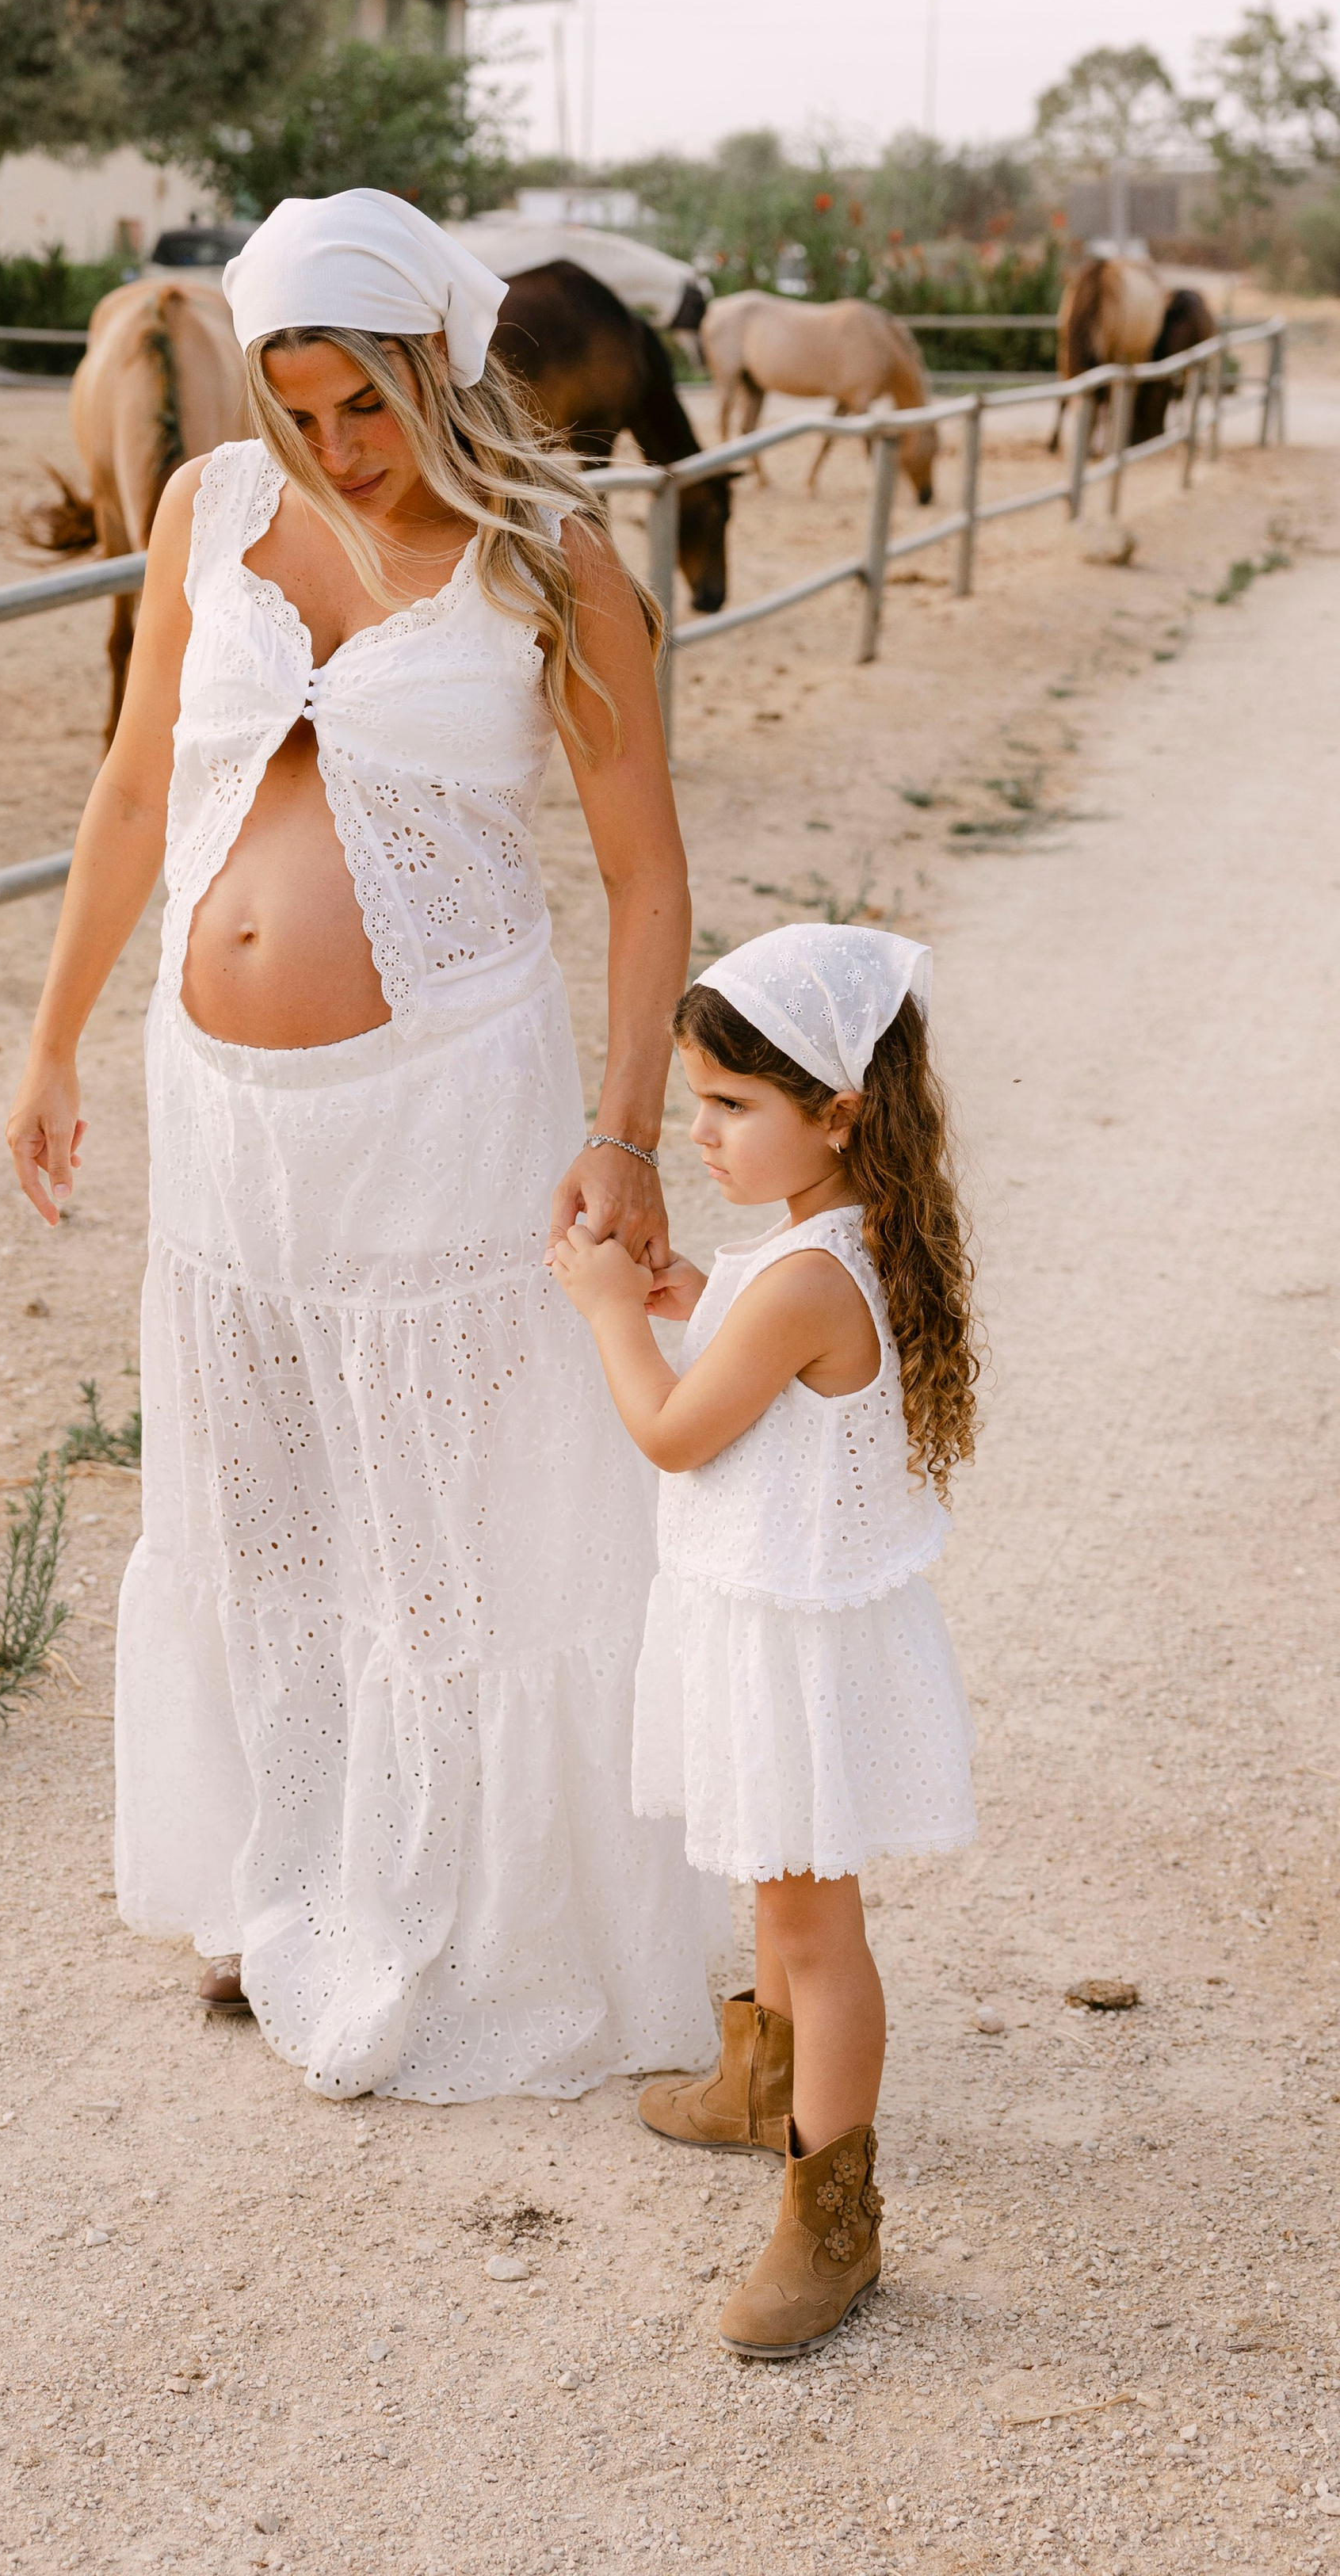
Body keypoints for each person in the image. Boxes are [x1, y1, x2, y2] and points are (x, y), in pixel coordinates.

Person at [6, 188, 722, 2102]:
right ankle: (285, 1879)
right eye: (298, 406)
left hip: (448, 1102)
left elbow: (647, 884)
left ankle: (453, 1910)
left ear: (436, 368)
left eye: (366, 408)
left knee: (447, 1523)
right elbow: (140, 779)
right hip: (221, 1109)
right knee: (257, 1498)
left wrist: (625, 1131)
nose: (332, 449)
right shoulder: (209, 514)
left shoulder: (552, 565)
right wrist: (53, 1030)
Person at [551, 923, 979, 2352]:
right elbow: (765, 1349)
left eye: (732, 1108)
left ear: (837, 1112)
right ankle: (759, 2083)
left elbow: (675, 1430)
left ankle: (831, 2223)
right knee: (776, 1882)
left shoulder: (807, 1280)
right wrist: (690, 1298)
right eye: (697, 1103)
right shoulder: (821, 1249)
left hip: (791, 1647)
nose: (703, 1136)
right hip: (770, 1628)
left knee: (813, 1919)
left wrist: (617, 1313)